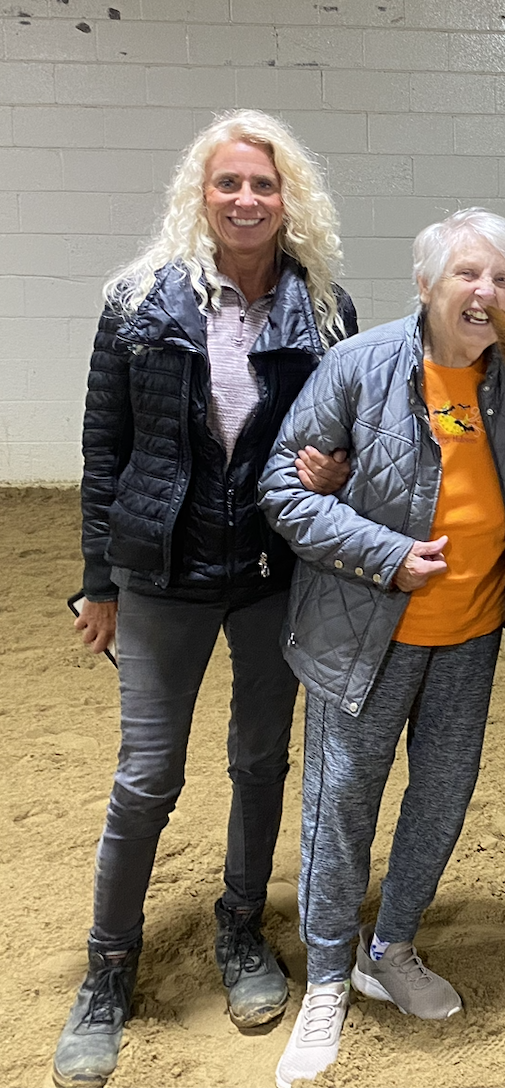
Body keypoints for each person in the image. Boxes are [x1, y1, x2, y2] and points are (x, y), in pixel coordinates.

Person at [57, 110, 357, 1088]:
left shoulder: (324, 311)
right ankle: (109, 968)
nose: (244, 199)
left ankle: (240, 928)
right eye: (227, 182)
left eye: (263, 185)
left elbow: (337, 438)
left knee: (261, 762)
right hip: (159, 578)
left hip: (273, 577)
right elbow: (104, 452)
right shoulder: (139, 304)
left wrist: (335, 466)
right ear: (202, 191)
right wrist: (98, 582)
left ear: (288, 200)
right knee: (146, 779)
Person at [258, 208, 505, 1088]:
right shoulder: (358, 366)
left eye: (500, 278)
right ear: (426, 284)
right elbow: (283, 488)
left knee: (442, 798)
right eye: (467, 275)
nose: (485, 293)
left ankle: (394, 946)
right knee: (343, 804)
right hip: (365, 636)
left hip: (469, 637)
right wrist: (386, 556)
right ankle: (330, 976)